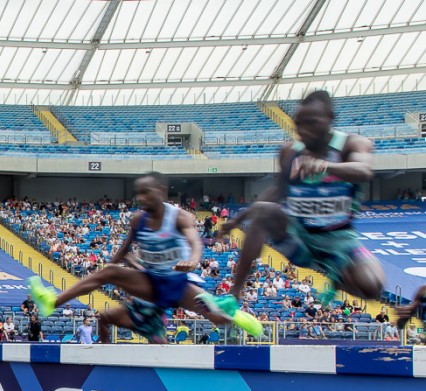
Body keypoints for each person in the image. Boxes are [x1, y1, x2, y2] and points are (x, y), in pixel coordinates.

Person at [202, 91, 383, 318]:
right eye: (298, 124)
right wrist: (236, 221)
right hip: (300, 236)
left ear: (329, 118)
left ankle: (336, 278)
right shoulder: (290, 152)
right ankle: (233, 297)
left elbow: (364, 170)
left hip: (339, 239)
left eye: (311, 123)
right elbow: (278, 190)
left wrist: (325, 166)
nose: (302, 131)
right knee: (264, 213)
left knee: (372, 287)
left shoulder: (351, 144)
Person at [28, 172, 259, 344]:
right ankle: (52, 302)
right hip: (150, 282)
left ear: (161, 191)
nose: (141, 197)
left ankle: (238, 317)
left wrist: (194, 260)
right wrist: (110, 266)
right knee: (109, 275)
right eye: (138, 193)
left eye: (146, 192)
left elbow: (195, 242)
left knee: (217, 314)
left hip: (177, 282)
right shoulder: (138, 220)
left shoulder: (180, 217)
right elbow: (125, 248)